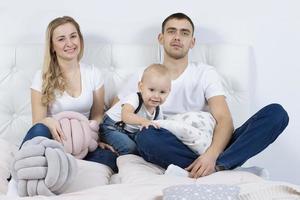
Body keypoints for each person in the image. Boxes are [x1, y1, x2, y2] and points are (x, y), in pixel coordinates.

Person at [115, 13, 289, 178]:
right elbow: (115, 116)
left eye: (184, 33)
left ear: (192, 42)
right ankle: (223, 168)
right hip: (170, 145)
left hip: (213, 144)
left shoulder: (205, 73)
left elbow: (225, 121)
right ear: (161, 38)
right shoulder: (142, 75)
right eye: (171, 31)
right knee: (146, 137)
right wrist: (104, 136)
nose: (177, 37)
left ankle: (216, 165)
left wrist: (211, 156)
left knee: (276, 113)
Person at [21, 16, 117, 172]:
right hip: (53, 141)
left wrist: (93, 138)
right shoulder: (41, 76)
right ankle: (23, 173)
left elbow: (98, 116)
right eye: (61, 39)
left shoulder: (93, 73)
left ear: (80, 39)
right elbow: (37, 121)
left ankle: (62, 166)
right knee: (39, 130)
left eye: (73, 36)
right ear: (52, 46)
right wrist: (49, 122)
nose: (69, 43)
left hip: (82, 142)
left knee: (111, 159)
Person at [100, 64, 171, 155]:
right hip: (111, 127)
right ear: (141, 87)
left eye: (162, 92)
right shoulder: (135, 98)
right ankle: (108, 149)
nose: (156, 96)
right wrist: (143, 121)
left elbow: (159, 125)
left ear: (169, 92)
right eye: (152, 90)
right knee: (130, 148)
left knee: (144, 145)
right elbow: (125, 116)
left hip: (130, 132)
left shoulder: (158, 110)